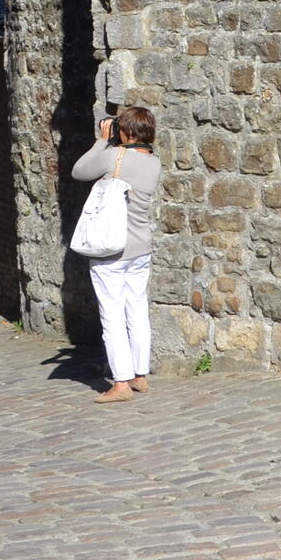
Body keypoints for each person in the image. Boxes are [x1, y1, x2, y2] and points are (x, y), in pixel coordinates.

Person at [72, 106, 161, 404]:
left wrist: (101, 140)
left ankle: (121, 383)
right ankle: (140, 374)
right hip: (140, 248)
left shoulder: (114, 157)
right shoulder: (154, 162)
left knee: (112, 315)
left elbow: (79, 171)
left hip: (112, 250)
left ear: (125, 131)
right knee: (137, 309)